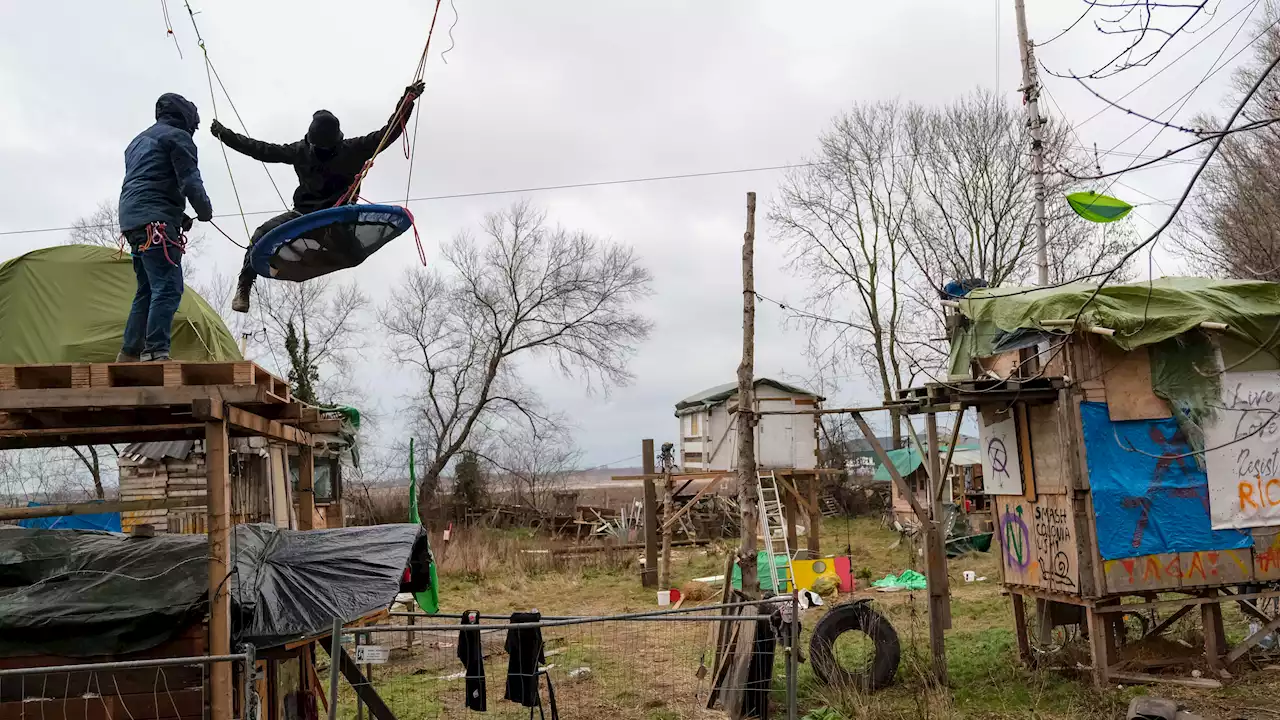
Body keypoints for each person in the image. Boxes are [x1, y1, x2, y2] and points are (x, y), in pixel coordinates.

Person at [210, 81, 425, 312]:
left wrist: (407, 101)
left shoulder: (353, 149)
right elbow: (261, 150)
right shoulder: (300, 150)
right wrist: (225, 135)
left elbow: (388, 132)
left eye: (327, 149)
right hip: (304, 214)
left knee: (353, 255)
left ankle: (321, 253)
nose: (322, 152)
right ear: (310, 141)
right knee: (261, 234)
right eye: (318, 149)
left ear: (337, 142)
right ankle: (244, 286)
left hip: (338, 216)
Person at [117, 93, 214, 363]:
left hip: (133, 220)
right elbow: (189, 181)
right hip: (156, 223)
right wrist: (204, 210)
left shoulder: (137, 142)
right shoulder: (178, 138)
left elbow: (151, 181)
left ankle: (129, 353)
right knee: (169, 287)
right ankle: (155, 351)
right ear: (187, 119)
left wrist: (177, 214)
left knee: (147, 288)